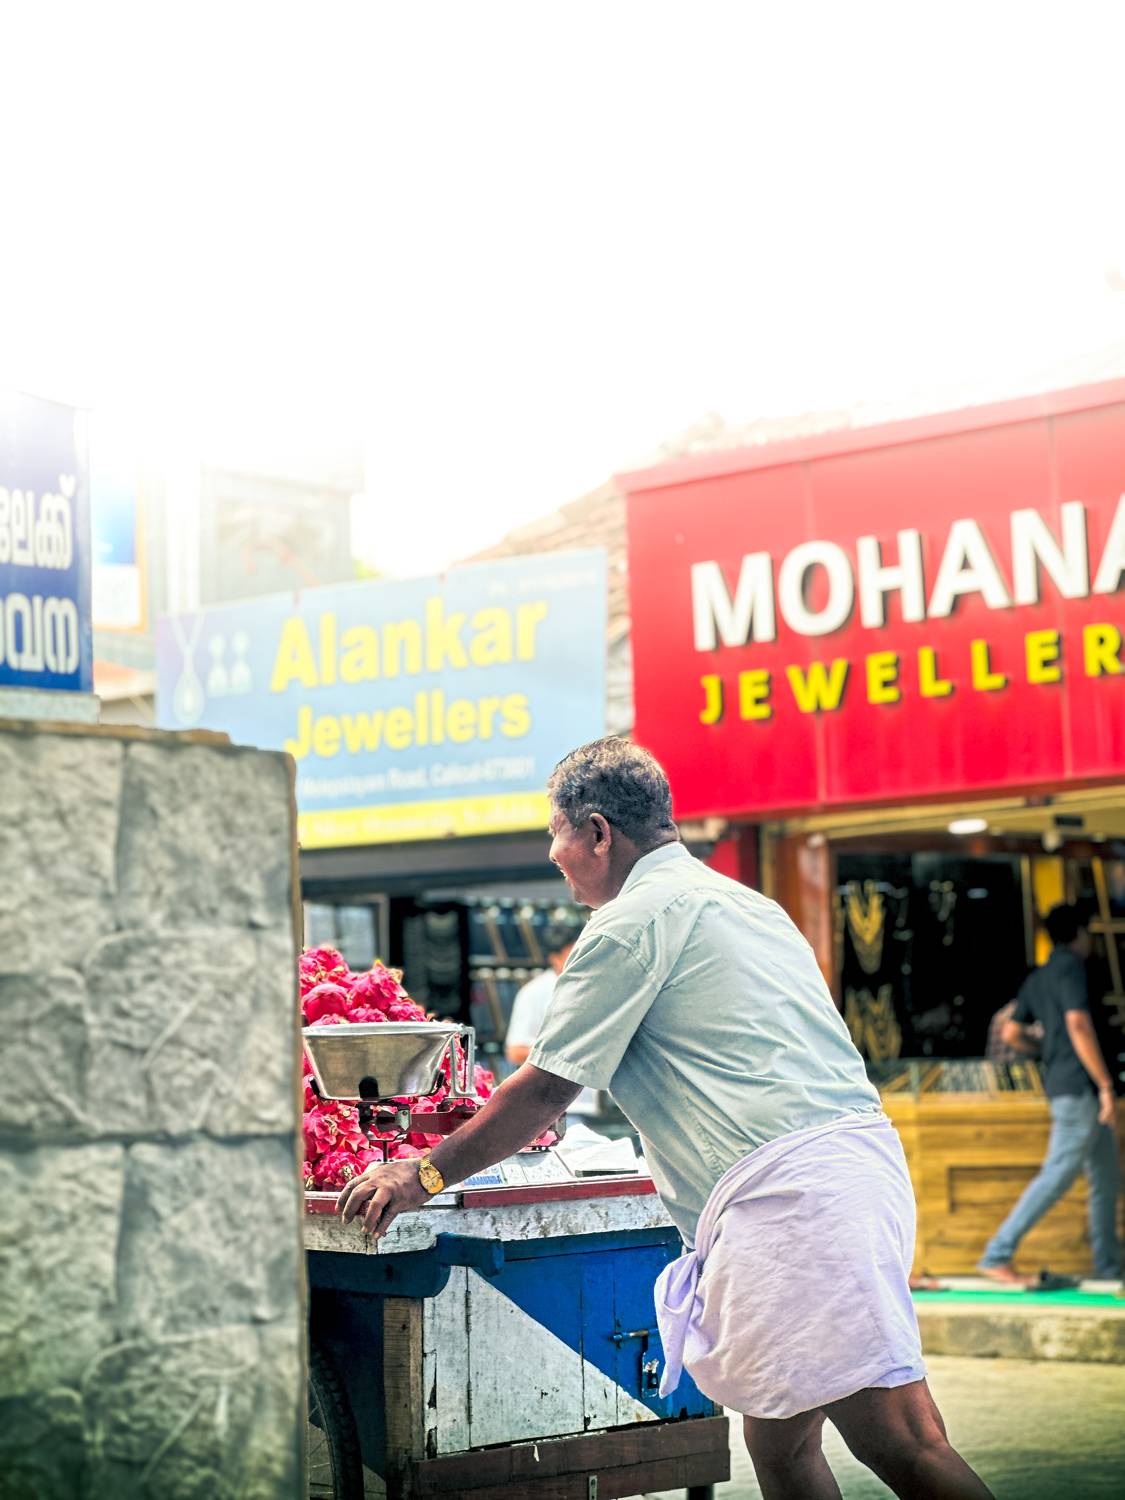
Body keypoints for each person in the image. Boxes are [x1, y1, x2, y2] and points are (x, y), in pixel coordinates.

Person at [339, 738, 993, 1500]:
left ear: (597, 832)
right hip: (851, 1175)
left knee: (904, 1440)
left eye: (554, 834)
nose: (552, 856)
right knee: (778, 1439)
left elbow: (544, 1091)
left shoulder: (628, 922)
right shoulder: (748, 905)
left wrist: (421, 1175)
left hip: (793, 1202)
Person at [979, 904, 1120, 1285]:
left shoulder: (1038, 976)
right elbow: (1078, 1023)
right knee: (1058, 1174)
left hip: (1065, 1084)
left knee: (1106, 1178)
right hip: (1081, 1089)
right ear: (1079, 934)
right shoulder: (1072, 968)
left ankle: (1110, 1267)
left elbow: (1011, 1033)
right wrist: (1106, 1085)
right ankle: (997, 1253)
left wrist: (1049, 1051)